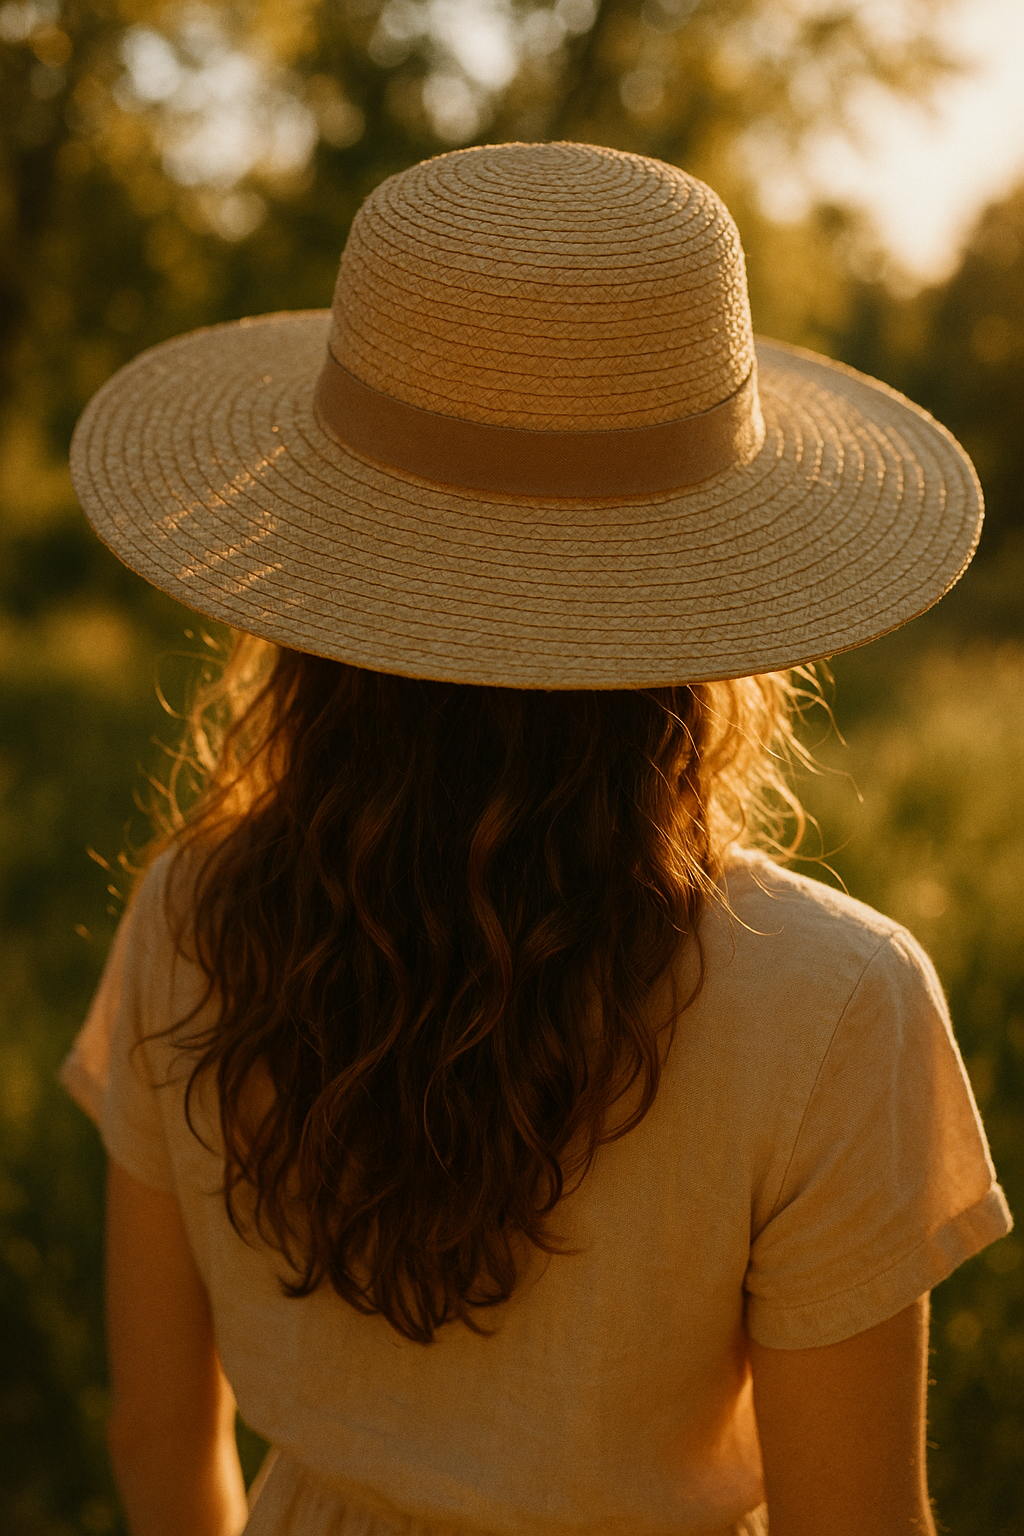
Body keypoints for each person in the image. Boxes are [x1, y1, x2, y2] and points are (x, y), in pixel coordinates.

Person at [60, 142, 1011, 1536]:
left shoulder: (189, 911)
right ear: (713, 606)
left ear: (326, 569)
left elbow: (155, 1434)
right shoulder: (833, 1004)